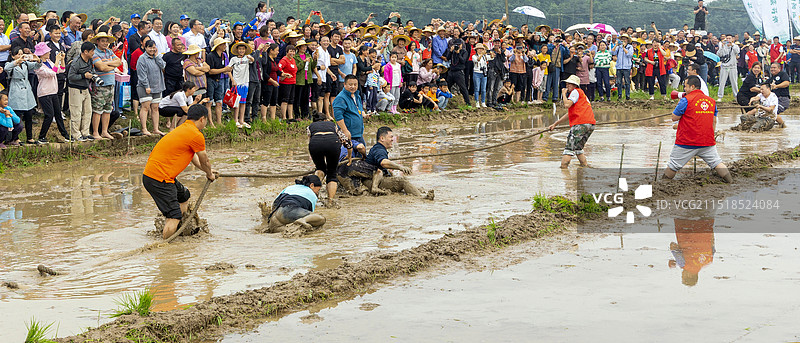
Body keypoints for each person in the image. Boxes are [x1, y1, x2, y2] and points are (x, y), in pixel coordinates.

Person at [143, 104, 216, 239]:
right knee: (173, 216)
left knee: (183, 196)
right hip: (160, 179)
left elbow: (194, 159)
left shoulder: (183, 128)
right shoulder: (196, 134)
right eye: (206, 120)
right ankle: (166, 248)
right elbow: (204, 159)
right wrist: (209, 173)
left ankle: (179, 230)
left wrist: (209, 171)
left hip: (153, 175)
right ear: (202, 119)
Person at [663, 76, 732, 183]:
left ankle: (661, 185)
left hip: (686, 142)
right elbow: (714, 121)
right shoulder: (711, 101)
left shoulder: (686, 100)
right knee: (716, 162)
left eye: (685, 86)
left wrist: (679, 104)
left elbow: (674, 118)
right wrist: (711, 136)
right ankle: (730, 182)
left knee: (673, 166)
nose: (684, 89)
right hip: (707, 142)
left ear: (692, 87)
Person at [547, 75, 596, 168]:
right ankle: (585, 167)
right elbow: (570, 114)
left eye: (569, 84)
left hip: (580, 124)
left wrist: (564, 95)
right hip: (590, 124)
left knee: (568, 149)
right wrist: (555, 124)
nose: (567, 85)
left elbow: (566, 105)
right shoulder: (581, 94)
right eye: (567, 83)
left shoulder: (575, 92)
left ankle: (563, 169)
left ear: (574, 85)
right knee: (578, 148)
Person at [307, 112, 353, 206]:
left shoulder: (310, 126)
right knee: (332, 172)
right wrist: (349, 157)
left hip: (315, 144)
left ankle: (314, 193)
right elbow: (347, 142)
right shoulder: (333, 125)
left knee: (320, 168)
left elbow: (310, 141)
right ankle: (330, 201)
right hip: (332, 143)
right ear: (325, 120)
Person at [33, 42, 70, 144]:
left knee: (58, 114)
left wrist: (62, 60)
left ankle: (65, 135)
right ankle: (41, 137)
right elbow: (52, 73)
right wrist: (57, 60)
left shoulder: (49, 61)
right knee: (49, 115)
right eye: (47, 51)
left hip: (53, 91)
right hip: (44, 93)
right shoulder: (38, 66)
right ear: (42, 54)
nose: (49, 53)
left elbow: (61, 70)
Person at [5, 47, 41, 145]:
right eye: (18, 54)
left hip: (27, 91)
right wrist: (17, 61)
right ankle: (15, 138)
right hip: (16, 90)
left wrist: (38, 59)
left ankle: (30, 137)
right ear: (13, 56)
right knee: (17, 117)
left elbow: (36, 66)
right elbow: (6, 68)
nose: (20, 56)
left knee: (29, 116)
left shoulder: (25, 64)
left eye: (21, 54)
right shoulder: (10, 64)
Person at [91, 32, 122, 140]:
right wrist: (111, 65)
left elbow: (119, 62)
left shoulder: (109, 52)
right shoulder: (94, 53)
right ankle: (95, 132)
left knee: (108, 109)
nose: (105, 43)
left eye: (106, 41)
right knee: (98, 109)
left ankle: (104, 131)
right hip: (100, 85)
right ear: (98, 41)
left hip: (111, 83)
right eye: (103, 41)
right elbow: (101, 67)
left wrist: (106, 63)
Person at [67, 42, 96, 141]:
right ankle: (76, 134)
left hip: (85, 88)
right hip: (75, 89)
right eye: (92, 51)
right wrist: (84, 76)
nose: (93, 53)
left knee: (88, 111)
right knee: (76, 112)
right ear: (85, 51)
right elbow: (70, 76)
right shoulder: (76, 62)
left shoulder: (89, 60)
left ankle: (85, 132)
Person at [137, 40, 167, 136]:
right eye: (150, 47)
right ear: (145, 48)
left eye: (154, 47)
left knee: (155, 108)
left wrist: (157, 55)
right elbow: (142, 74)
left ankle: (156, 129)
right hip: (145, 87)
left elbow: (163, 66)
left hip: (157, 86)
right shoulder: (142, 58)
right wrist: (146, 86)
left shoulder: (157, 57)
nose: (152, 49)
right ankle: (144, 128)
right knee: (145, 107)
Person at [333, 74, 366, 156]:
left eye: (355, 85)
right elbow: (338, 116)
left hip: (358, 134)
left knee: (363, 158)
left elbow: (359, 109)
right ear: (344, 84)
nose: (353, 87)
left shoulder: (357, 95)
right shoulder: (341, 98)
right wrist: (345, 131)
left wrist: (364, 114)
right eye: (350, 84)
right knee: (348, 159)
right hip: (348, 135)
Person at [207, 38, 233, 125]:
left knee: (219, 102)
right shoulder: (210, 56)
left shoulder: (224, 55)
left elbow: (224, 68)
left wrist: (226, 70)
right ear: (218, 46)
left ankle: (219, 122)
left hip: (220, 79)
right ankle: (210, 122)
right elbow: (210, 71)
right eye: (223, 44)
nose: (225, 46)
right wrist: (223, 69)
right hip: (211, 80)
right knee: (209, 102)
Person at [229, 41, 254, 128]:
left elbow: (253, 60)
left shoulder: (247, 58)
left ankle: (241, 120)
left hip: (245, 82)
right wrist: (232, 80)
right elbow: (229, 70)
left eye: (243, 49)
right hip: (237, 83)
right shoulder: (233, 59)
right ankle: (235, 120)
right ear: (237, 50)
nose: (241, 50)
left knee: (243, 102)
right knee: (237, 102)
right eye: (240, 49)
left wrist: (250, 57)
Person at [278, 44, 298, 120]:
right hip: (286, 82)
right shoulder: (284, 60)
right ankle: (284, 117)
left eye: (293, 51)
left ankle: (291, 117)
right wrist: (284, 74)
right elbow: (279, 68)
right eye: (290, 51)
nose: (292, 53)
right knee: (285, 99)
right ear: (287, 52)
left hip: (293, 82)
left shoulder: (293, 60)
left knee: (291, 100)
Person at [716, 35, 739, 101]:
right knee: (722, 82)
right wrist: (722, 47)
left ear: (732, 39)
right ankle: (720, 96)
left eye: (730, 38)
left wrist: (732, 45)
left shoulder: (735, 46)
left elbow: (737, 52)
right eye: (727, 38)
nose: (728, 40)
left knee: (734, 82)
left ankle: (736, 96)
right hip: (724, 66)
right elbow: (719, 54)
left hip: (732, 66)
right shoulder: (723, 46)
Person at [613, 34, 634, 100]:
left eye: (625, 39)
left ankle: (627, 95)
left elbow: (629, 55)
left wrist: (624, 48)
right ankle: (619, 95)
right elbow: (612, 53)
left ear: (627, 40)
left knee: (627, 82)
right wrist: (616, 45)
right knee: (619, 82)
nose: (624, 40)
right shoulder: (618, 47)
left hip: (626, 67)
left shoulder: (630, 47)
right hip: (619, 67)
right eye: (622, 39)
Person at [472, 43, 489, 108]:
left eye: (481, 49)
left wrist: (491, 54)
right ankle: (477, 102)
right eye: (479, 49)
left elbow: (491, 57)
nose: (480, 50)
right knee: (477, 88)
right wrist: (482, 55)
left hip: (484, 73)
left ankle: (483, 102)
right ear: (476, 49)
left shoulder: (485, 56)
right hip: (477, 73)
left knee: (483, 89)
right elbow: (477, 60)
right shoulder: (474, 56)